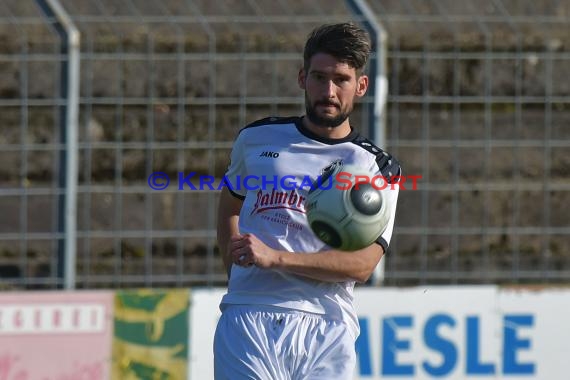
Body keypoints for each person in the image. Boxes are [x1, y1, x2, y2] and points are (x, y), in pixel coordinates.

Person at [214, 22, 401, 379]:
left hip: (328, 325)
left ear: (360, 86)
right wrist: (235, 266)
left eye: (341, 80)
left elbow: (363, 265)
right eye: (319, 77)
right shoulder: (256, 138)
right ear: (302, 78)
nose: (328, 91)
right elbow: (230, 205)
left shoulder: (376, 167)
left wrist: (276, 258)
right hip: (250, 316)